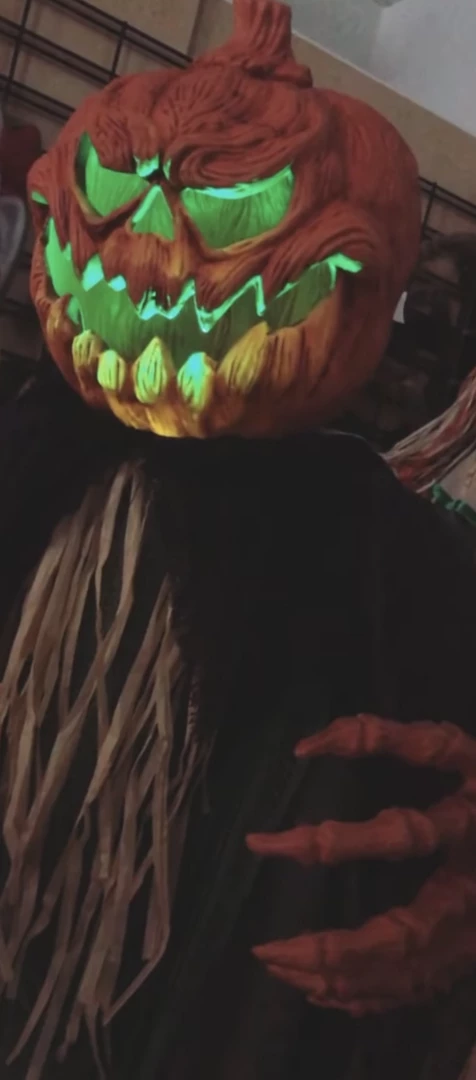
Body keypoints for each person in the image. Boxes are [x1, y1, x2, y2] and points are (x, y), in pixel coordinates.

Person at [2, 2, 476, 1078]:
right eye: (116, 187)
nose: (151, 252)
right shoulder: (33, 453)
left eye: (232, 202)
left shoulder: (375, 568)